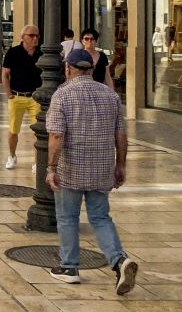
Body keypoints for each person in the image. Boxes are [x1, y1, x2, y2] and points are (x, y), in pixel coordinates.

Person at [46, 47, 138, 294]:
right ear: (92, 69)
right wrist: (121, 164)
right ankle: (118, 261)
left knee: (67, 218)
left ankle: (69, 268)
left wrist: (51, 167)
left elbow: (56, 135)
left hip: (71, 170)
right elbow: (121, 135)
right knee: (100, 218)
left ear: (68, 69)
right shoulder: (110, 96)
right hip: (101, 169)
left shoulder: (62, 95)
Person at [1, 24, 41, 170]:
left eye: (37, 36)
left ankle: (37, 161)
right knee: (13, 130)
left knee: (38, 131)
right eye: (32, 35)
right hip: (17, 96)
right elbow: (5, 74)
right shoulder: (13, 52)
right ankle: (12, 156)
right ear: (23, 37)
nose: (35, 38)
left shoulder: (42, 53)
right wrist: (9, 94)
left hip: (35, 98)